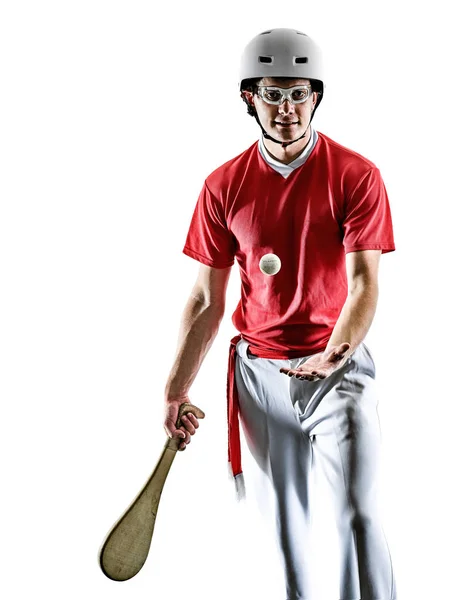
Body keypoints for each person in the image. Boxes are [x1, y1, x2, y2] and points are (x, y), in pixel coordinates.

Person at [163, 27, 397, 600]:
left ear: (316, 95)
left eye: (298, 93)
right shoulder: (223, 185)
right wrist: (175, 390)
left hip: (335, 371)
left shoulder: (356, 175)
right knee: (284, 540)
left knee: (354, 517)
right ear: (250, 97)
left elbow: (365, 283)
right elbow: (205, 299)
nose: (286, 108)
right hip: (257, 379)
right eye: (273, 93)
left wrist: (332, 354)